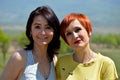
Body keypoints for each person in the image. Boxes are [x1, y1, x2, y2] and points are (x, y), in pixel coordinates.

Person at [0, 6, 60, 80]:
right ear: (30, 30)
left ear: (54, 31)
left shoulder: (54, 60)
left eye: (48, 27)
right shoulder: (19, 58)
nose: (43, 33)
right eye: (37, 27)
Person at [56, 13, 118, 80]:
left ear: (89, 31)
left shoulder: (106, 64)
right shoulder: (62, 62)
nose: (75, 36)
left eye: (77, 30)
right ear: (66, 40)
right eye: (69, 33)